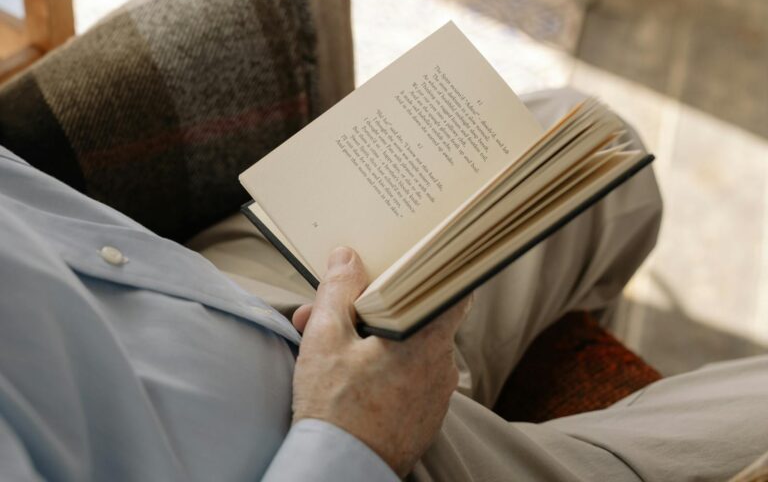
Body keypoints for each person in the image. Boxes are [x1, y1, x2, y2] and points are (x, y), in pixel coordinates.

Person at [0, 88, 765, 481]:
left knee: (594, 146)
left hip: (208, 293)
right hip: (327, 450)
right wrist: (355, 438)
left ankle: (501, 385)